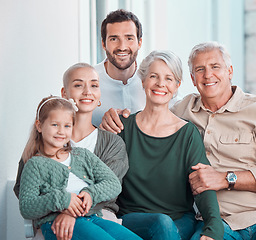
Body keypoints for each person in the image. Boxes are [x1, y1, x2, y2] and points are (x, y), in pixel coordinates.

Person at [101, 42, 256, 240]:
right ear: (192, 78)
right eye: (200, 69)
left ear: (230, 71)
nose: (208, 75)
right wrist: (115, 116)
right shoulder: (183, 111)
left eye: (215, 67)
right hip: (223, 221)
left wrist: (226, 178)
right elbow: (154, 113)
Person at [14, 63, 141, 240]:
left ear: (100, 95)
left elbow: (110, 187)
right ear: (64, 93)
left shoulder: (87, 153)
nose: (87, 91)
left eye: (94, 85)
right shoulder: (38, 152)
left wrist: (75, 207)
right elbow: (25, 195)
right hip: (54, 220)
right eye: (78, 85)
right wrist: (61, 205)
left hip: (97, 214)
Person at [111, 50, 224, 240]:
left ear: (177, 85)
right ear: (143, 81)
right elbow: (105, 178)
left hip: (179, 220)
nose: (160, 84)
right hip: (132, 220)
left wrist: (214, 226)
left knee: (165, 225)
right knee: (160, 223)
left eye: (168, 78)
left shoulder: (187, 133)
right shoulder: (123, 128)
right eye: (153, 76)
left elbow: (202, 183)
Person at [92, 9, 146, 127]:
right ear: (103, 44)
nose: (122, 47)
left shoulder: (154, 80)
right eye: (114, 39)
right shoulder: (88, 81)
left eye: (129, 38)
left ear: (140, 42)